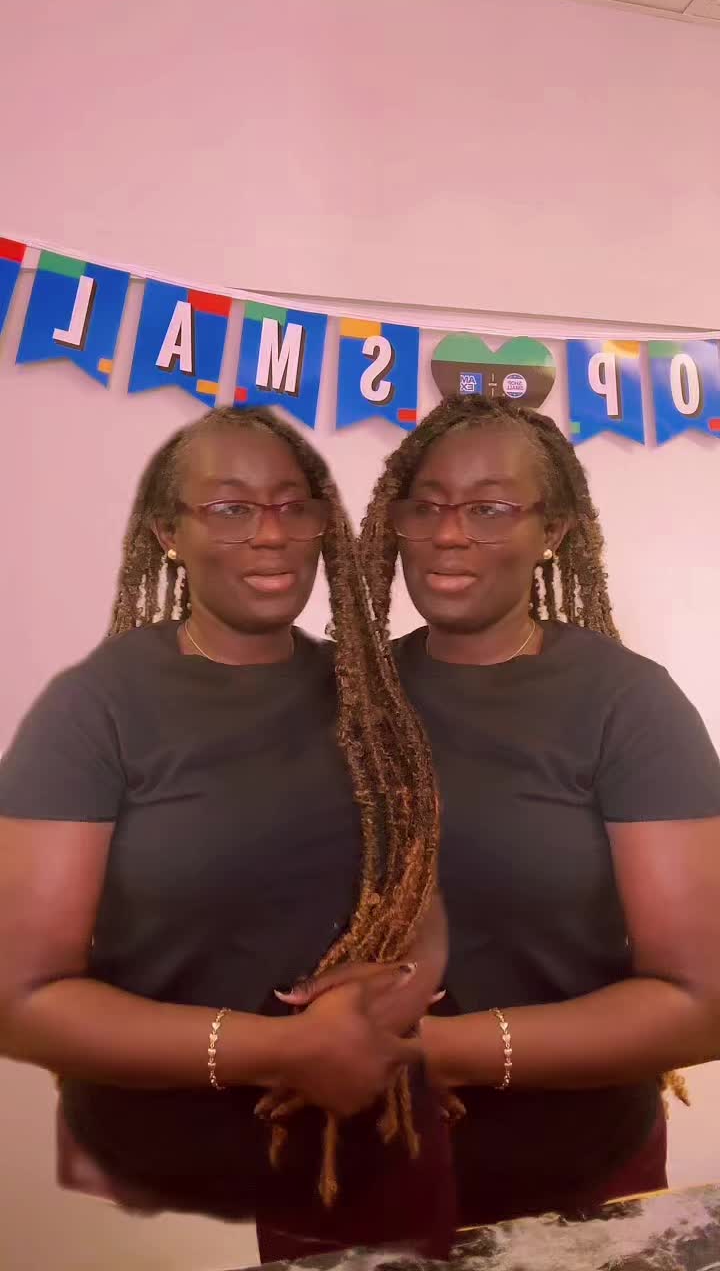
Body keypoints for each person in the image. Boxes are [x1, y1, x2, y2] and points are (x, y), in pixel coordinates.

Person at [0, 405, 455, 1262]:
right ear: (169, 534)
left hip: (377, 1170)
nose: (271, 534)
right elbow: (21, 1004)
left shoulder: (368, 695)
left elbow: (421, 892)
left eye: (293, 506)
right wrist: (283, 1049)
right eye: (232, 507)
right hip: (169, 1201)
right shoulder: (94, 711)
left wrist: (400, 988)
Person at [354, 392, 720, 1227]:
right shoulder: (340, 696)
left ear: (551, 531)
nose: (449, 535)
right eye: (427, 507)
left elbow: (702, 1004)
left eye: (489, 509)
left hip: (568, 1189)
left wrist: (433, 1054)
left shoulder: (627, 707)